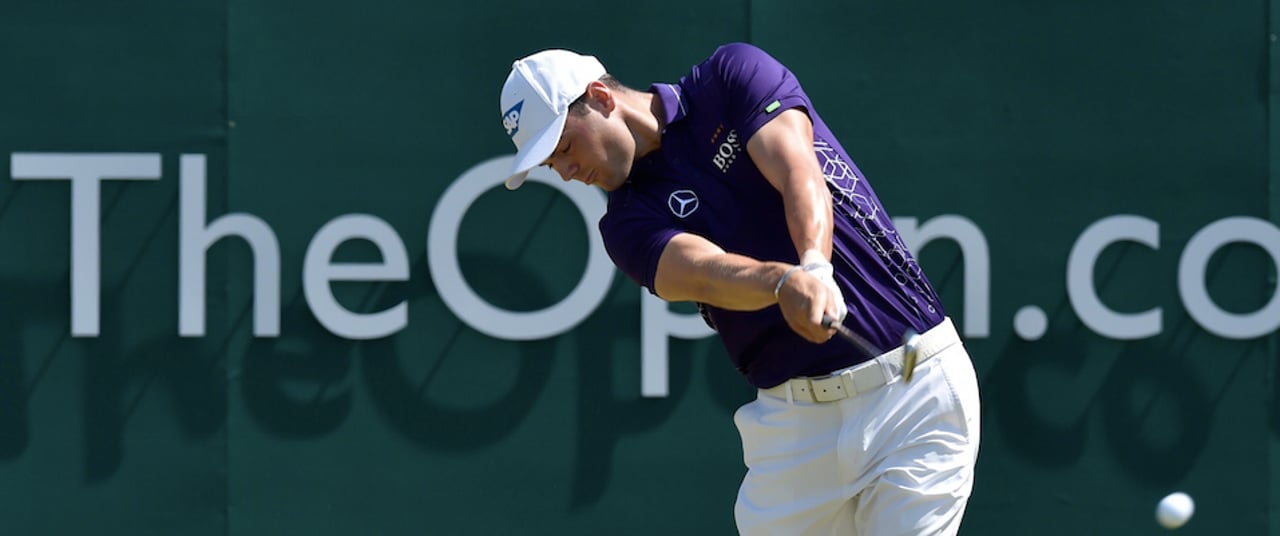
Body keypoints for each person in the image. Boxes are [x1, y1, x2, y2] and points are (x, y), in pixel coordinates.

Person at [496, 43, 981, 535]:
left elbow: (798, 170)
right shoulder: (624, 227)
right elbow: (707, 272)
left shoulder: (730, 78)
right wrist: (783, 282)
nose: (566, 172)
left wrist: (814, 265)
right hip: (793, 432)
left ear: (600, 97)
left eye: (563, 149)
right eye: (550, 165)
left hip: (913, 392)